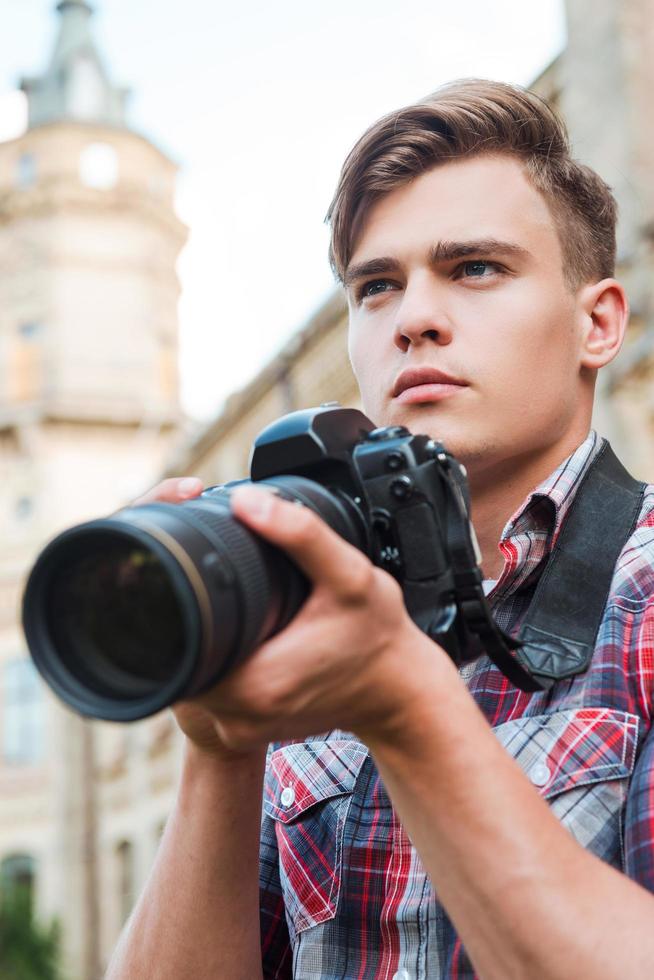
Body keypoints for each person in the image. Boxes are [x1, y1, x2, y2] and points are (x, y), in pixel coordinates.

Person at [107, 79, 654, 979]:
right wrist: (222, 746)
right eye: (377, 287)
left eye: (476, 268)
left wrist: (403, 707)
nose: (414, 320)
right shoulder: (308, 613)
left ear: (597, 323)